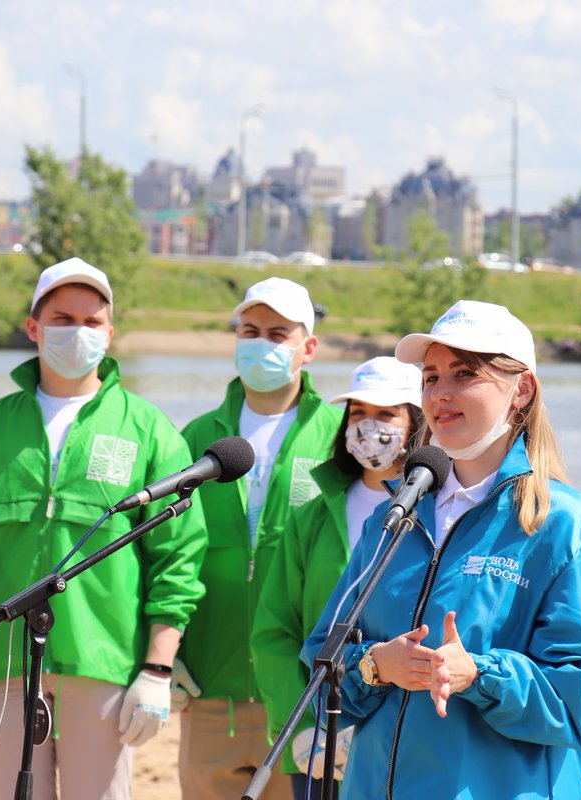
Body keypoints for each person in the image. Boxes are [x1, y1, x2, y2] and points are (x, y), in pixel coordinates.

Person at [302, 300, 581, 799]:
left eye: (464, 374)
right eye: (430, 377)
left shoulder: (571, 528)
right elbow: (321, 666)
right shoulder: (393, 517)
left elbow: (573, 707)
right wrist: (375, 665)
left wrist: (478, 673)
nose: (440, 394)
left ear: (522, 390)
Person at [0, 257, 207, 800]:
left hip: (104, 661)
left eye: (92, 321)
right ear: (34, 327)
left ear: (110, 333)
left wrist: (156, 668)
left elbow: (178, 557)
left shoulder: (149, 430)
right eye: (63, 318)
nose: (78, 332)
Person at [176, 276, 344, 800]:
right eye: (250, 331)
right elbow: (164, 552)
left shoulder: (339, 435)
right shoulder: (198, 436)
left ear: (308, 349)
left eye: (278, 333)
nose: (261, 343)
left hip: (302, 693)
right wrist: (162, 654)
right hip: (209, 690)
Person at [251, 356, 424, 799]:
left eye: (386, 414)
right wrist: (306, 727)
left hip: (405, 740)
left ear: (416, 422)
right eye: (358, 413)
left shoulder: (439, 514)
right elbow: (275, 632)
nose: (369, 427)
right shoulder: (310, 516)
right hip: (317, 742)